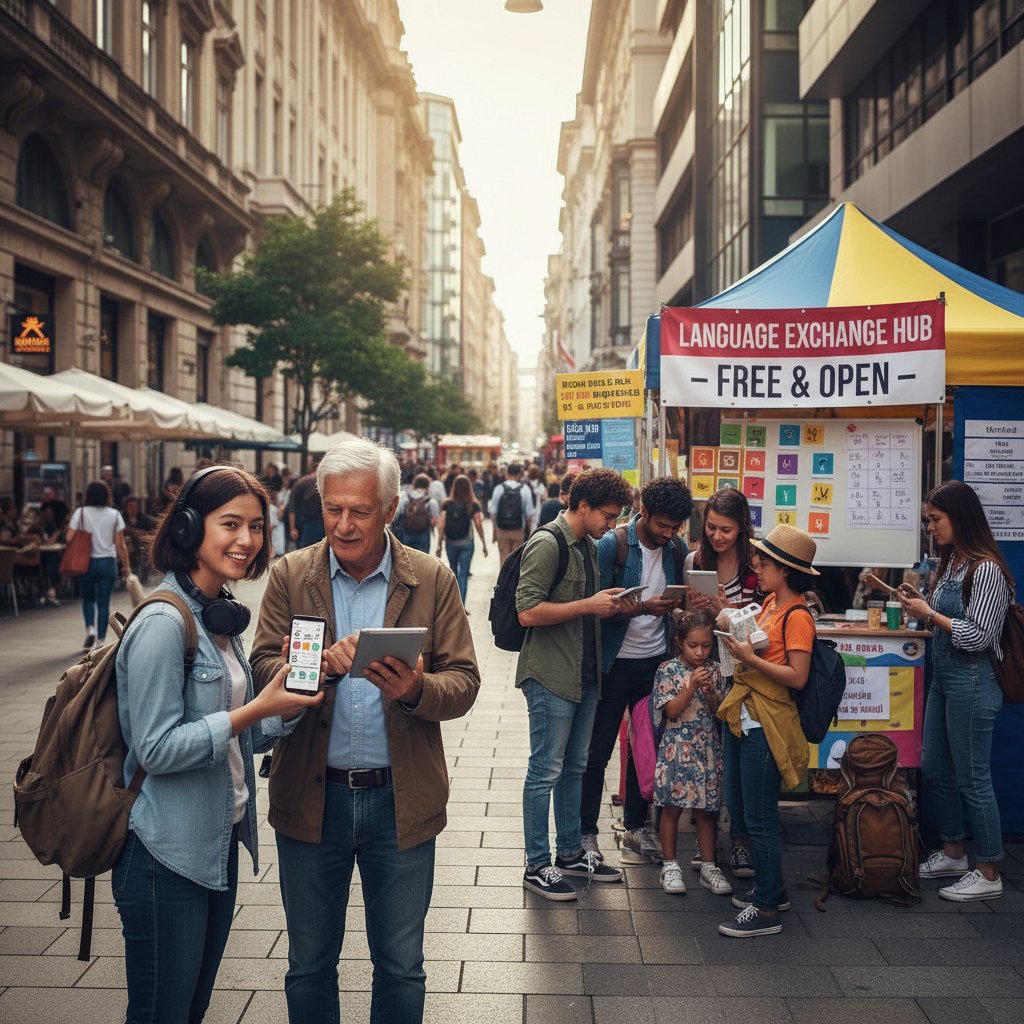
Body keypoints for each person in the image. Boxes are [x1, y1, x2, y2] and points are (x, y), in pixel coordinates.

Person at [249, 436, 480, 1023]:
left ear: (391, 508)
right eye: (333, 509)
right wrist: (312, 670)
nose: (344, 525)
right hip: (311, 798)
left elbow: (465, 681)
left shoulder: (431, 578)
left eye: (360, 511)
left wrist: (416, 690)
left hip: (400, 800)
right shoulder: (290, 575)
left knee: (401, 966)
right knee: (308, 965)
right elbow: (262, 668)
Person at [111, 465, 323, 1024]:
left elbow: (238, 738)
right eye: (230, 524)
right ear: (187, 527)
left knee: (190, 1010)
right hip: (164, 855)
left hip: (215, 846)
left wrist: (288, 704)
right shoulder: (164, 622)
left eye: (255, 526)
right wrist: (252, 709)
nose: (246, 539)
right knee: (161, 1014)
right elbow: (155, 749)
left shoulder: (217, 617)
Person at [517, 468, 634, 900]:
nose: (612, 524)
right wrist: (588, 605)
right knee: (544, 770)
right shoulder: (548, 542)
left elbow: (586, 609)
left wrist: (617, 606)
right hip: (551, 673)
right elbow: (527, 611)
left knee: (575, 767)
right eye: (608, 515)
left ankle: (569, 852)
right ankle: (536, 864)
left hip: (585, 672)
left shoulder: (588, 544)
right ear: (583, 506)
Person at [899, 480, 1012, 902]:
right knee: (934, 769)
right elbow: (943, 620)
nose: (930, 528)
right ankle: (952, 852)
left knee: (972, 777)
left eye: (936, 519)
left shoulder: (986, 570)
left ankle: (989, 870)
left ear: (960, 517)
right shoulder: (951, 564)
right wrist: (921, 604)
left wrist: (929, 613)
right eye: (928, 520)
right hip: (945, 680)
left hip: (974, 681)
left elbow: (979, 636)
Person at [581, 476, 692, 864]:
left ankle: (635, 826)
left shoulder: (676, 549)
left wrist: (679, 608)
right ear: (643, 512)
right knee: (597, 751)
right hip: (614, 663)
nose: (668, 533)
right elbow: (596, 608)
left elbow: (677, 604)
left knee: (645, 746)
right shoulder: (613, 545)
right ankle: (585, 832)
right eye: (662, 525)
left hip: (654, 662)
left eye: (675, 527)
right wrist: (643, 607)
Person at [716, 524, 816, 937]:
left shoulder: (798, 617)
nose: (757, 566)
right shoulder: (772, 603)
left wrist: (749, 659)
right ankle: (771, 889)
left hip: (766, 723)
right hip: (746, 715)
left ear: (786, 570)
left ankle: (767, 908)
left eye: (765, 562)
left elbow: (798, 677)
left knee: (759, 818)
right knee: (742, 808)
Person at [684, 487, 759, 878]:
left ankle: (741, 841)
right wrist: (691, 610)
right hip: (706, 671)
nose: (716, 536)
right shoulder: (695, 559)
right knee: (705, 759)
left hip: (746, 675)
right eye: (711, 527)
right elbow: (685, 625)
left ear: (742, 528)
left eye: (726, 529)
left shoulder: (758, 564)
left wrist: (727, 610)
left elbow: (765, 625)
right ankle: (707, 842)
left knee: (740, 762)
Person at [653, 608, 732, 896]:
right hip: (677, 749)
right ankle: (670, 865)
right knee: (671, 807)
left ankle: (709, 866)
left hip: (706, 748)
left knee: (706, 809)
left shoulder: (717, 670)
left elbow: (722, 712)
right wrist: (691, 687)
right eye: (693, 645)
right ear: (679, 643)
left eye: (706, 646)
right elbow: (672, 711)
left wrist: (710, 692)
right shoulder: (667, 670)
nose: (700, 652)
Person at [66, 480, 131, 649]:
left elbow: (69, 537)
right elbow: (120, 543)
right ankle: (101, 640)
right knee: (104, 603)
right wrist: (126, 565)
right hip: (108, 562)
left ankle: (90, 629)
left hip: (85, 562)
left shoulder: (80, 513)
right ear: (107, 495)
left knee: (88, 599)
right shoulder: (114, 514)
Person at [436, 473, 487, 606]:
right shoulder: (473, 504)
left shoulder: (446, 503)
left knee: (453, 572)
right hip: (467, 543)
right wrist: (484, 543)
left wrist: (439, 544)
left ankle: (453, 605)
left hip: (451, 542)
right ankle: (461, 606)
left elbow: (442, 524)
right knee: (463, 575)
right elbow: (478, 523)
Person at [490, 463, 534, 565]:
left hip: (502, 529)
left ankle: (504, 575)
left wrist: (494, 531)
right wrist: (529, 532)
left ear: (506, 474)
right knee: (517, 561)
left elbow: (493, 513)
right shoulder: (525, 489)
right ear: (519, 475)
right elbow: (529, 515)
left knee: (504, 559)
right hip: (518, 530)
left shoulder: (498, 489)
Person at [394, 472, 439, 553]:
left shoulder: (406, 497)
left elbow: (398, 513)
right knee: (422, 558)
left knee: (408, 557)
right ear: (428, 486)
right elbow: (434, 522)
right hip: (423, 535)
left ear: (414, 484)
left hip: (406, 533)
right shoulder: (430, 501)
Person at [287, 458, 324, 548]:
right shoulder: (322, 482)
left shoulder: (300, 482)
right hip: (315, 523)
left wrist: (292, 528)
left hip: (305, 524)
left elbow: (292, 507)